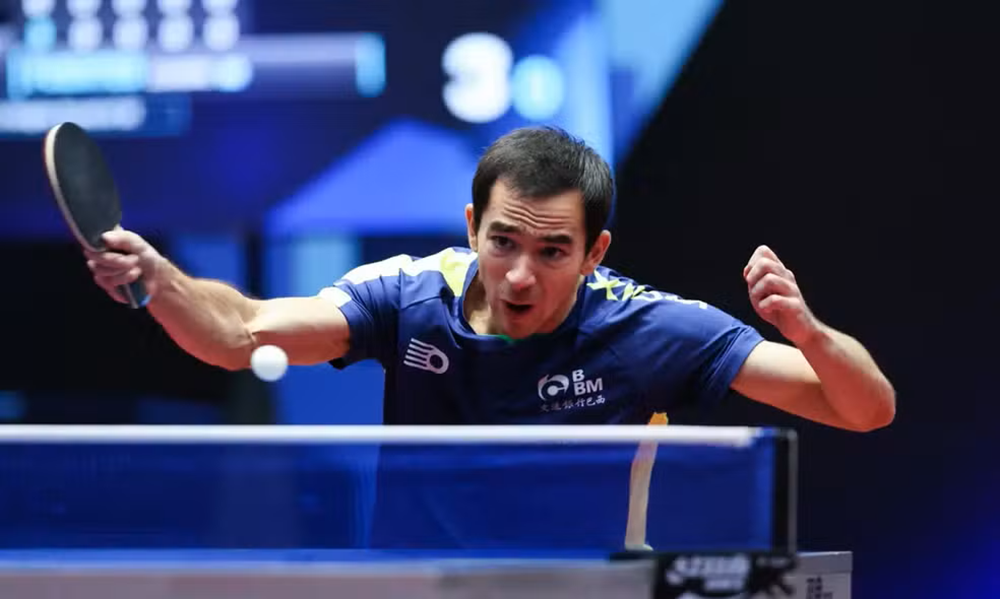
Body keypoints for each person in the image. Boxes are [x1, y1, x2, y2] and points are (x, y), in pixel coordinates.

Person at [85, 126, 895, 431]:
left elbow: (866, 409)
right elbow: (239, 334)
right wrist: (162, 279)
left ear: (595, 252)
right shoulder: (408, 297)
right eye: (502, 241)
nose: (519, 275)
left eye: (553, 252)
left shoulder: (647, 327)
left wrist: (809, 334)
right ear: (472, 226)